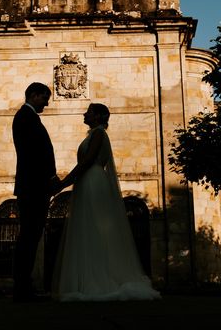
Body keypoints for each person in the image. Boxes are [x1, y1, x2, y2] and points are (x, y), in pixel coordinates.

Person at [52, 103, 160, 301]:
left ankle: (99, 280)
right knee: (89, 228)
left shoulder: (99, 134)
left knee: (95, 227)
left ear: (98, 116)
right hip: (87, 180)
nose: (85, 113)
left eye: (89, 111)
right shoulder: (93, 134)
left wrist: (64, 183)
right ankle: (90, 277)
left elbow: (87, 161)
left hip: (92, 180)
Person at [12, 82, 61, 302]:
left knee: (31, 237)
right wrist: (49, 178)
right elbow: (34, 153)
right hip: (33, 186)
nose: (47, 103)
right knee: (29, 237)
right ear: (33, 95)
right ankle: (22, 288)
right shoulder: (25, 117)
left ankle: (23, 286)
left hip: (33, 185)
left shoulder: (28, 117)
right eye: (44, 98)